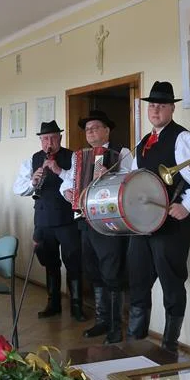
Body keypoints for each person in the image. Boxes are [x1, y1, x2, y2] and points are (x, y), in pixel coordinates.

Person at [127, 81, 190, 353]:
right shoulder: (143, 142)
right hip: (142, 226)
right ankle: (135, 343)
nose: (155, 110)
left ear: (171, 109)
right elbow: (134, 180)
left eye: (161, 105)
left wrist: (186, 206)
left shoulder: (183, 139)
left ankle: (169, 346)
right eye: (152, 105)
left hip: (171, 225)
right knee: (138, 282)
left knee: (171, 284)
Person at [59, 109, 132, 343]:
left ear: (107, 130)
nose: (90, 132)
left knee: (111, 272)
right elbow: (69, 181)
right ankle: (102, 320)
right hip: (84, 221)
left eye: (95, 128)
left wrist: (109, 178)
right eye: (87, 129)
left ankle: (115, 326)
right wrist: (67, 191)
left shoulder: (121, 153)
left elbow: (130, 182)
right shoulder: (79, 156)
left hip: (108, 222)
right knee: (93, 271)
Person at [13, 120, 85, 321]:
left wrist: (58, 170)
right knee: (50, 263)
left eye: (53, 137)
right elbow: (18, 189)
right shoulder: (32, 160)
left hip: (67, 219)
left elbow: (79, 183)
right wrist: (33, 181)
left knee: (73, 263)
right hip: (43, 219)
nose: (49, 142)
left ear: (60, 138)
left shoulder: (73, 157)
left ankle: (77, 306)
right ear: (40, 141)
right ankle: (53, 303)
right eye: (45, 139)